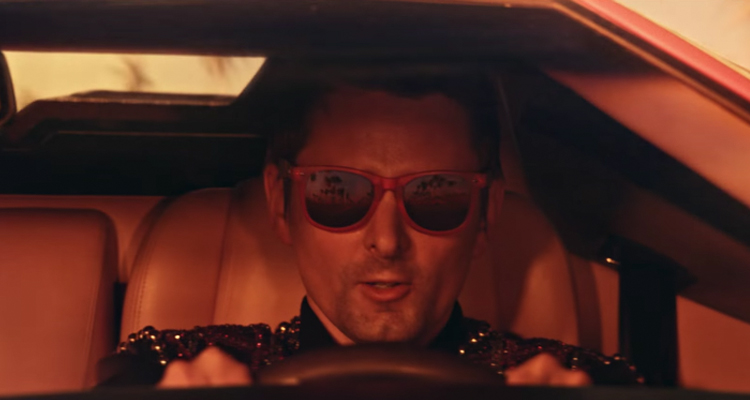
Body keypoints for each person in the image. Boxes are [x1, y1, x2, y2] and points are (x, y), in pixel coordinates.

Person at [98, 60, 641, 387]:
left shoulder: (587, 384)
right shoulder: (166, 373)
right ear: (281, 204)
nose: (386, 240)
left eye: (435, 193)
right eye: (338, 191)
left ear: (486, 214)